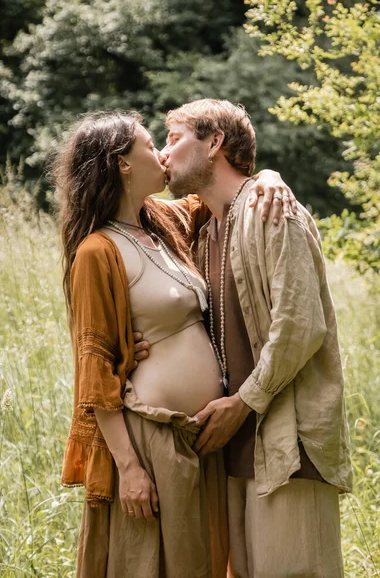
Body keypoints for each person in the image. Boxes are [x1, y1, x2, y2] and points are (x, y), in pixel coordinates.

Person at [55, 109, 294, 578]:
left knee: (201, 563)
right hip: (149, 439)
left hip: (202, 436)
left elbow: (224, 189)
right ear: (122, 163)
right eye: (150, 145)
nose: (162, 153)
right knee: (151, 565)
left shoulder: (166, 222)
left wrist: (269, 174)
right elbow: (95, 372)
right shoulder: (96, 252)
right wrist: (130, 469)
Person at [157, 99, 353, 578]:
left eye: (174, 138)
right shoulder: (201, 231)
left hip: (289, 442)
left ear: (215, 142)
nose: (164, 155)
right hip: (232, 451)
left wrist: (243, 402)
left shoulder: (271, 211)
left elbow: (301, 325)